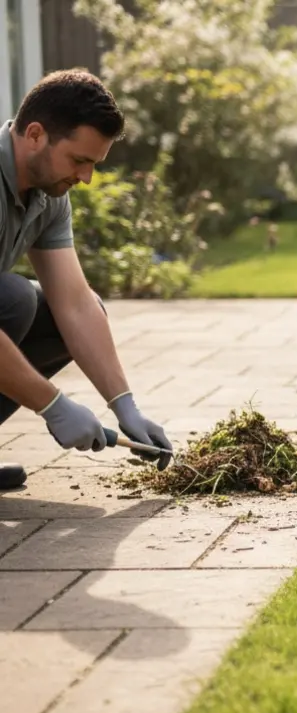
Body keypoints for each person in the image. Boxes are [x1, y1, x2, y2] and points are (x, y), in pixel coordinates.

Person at [0, 69, 172, 490]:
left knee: (64, 313)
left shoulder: (47, 193)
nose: (86, 177)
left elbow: (74, 303)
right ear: (35, 135)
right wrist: (53, 405)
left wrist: (123, 405)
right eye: (80, 160)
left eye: (94, 164)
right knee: (14, 299)